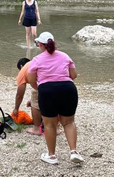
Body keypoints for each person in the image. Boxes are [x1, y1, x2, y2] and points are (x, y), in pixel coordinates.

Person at [28, 32, 84, 165]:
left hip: (47, 91)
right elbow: (73, 75)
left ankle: (52, 156)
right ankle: (74, 152)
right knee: (69, 122)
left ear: (40, 45)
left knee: (49, 124)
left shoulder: (37, 59)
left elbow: (31, 80)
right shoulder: (65, 56)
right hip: (68, 89)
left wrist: (41, 87)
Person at [13, 58, 43, 135]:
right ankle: (55, 127)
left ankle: (36, 128)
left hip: (43, 84)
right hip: (56, 82)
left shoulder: (23, 70)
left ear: (21, 66)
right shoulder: (36, 62)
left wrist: (16, 108)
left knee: (35, 98)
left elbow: (20, 94)